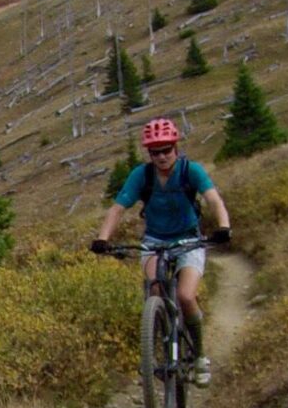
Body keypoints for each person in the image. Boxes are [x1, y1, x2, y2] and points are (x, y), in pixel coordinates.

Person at [91, 117, 231, 386]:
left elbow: (213, 199)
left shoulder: (192, 171)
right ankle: (161, 346)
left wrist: (223, 226)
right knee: (155, 291)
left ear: (175, 148)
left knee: (186, 296)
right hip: (154, 240)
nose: (162, 156)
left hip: (188, 239)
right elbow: (118, 208)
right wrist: (102, 239)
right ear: (150, 154)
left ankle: (200, 356)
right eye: (155, 152)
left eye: (166, 149)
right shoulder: (141, 176)